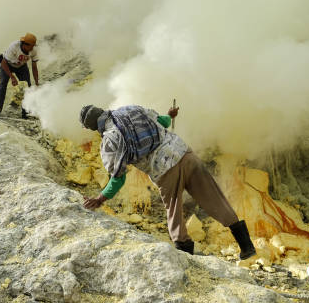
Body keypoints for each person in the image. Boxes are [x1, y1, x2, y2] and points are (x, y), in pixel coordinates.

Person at [79, 104, 256, 259]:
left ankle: (187, 258)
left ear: (90, 127)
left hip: (164, 170)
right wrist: (170, 116)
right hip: (184, 153)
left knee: (174, 211)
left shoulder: (110, 140)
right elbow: (162, 122)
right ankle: (246, 247)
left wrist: (100, 199)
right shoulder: (130, 108)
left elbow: (118, 177)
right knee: (213, 197)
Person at [0, 33, 40, 119]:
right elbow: (3, 62)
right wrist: (12, 76)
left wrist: (37, 82)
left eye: (34, 46)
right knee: (3, 84)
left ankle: (25, 112)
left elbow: (34, 67)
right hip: (7, 64)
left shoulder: (34, 51)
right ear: (25, 44)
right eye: (31, 46)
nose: (32, 48)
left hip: (21, 66)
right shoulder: (14, 46)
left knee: (27, 87)